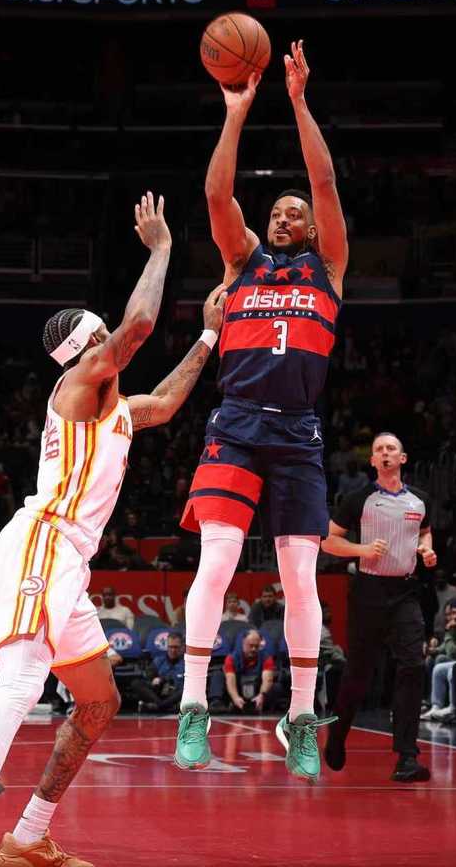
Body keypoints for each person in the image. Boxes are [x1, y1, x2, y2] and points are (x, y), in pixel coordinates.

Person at [0, 193, 226, 867]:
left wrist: (208, 337)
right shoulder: (80, 385)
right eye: (104, 335)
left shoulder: (115, 409)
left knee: (98, 700)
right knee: (23, 679)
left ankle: (28, 835)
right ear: (91, 346)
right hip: (43, 538)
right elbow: (140, 324)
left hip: (70, 559)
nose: (113, 340)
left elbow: (165, 403)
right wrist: (163, 249)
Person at [176, 40, 348, 783]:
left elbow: (325, 179)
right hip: (238, 422)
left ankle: (300, 716)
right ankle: (193, 706)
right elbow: (217, 196)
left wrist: (300, 102)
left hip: (297, 432)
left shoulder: (328, 267)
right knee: (216, 562)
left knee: (300, 579)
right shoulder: (241, 262)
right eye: (276, 211)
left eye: (294, 213)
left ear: (310, 229)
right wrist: (237, 112)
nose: (284, 217)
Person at [321, 431, 437, 782]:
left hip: (406, 592)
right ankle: (337, 735)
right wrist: (362, 550)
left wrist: (426, 549)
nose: (385, 453)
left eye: (391, 449)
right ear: (372, 461)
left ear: (402, 458)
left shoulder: (420, 500)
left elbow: (425, 531)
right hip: (368, 592)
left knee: (413, 665)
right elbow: (328, 541)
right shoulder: (358, 500)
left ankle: (407, 757)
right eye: (379, 450)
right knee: (359, 673)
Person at [223, 629, 278, 714]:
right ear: (243, 643)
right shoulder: (231, 658)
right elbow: (230, 680)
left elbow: (268, 680)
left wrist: (262, 695)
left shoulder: (267, 658)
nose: (253, 649)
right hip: (238, 690)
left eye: (256, 646)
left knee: (276, 687)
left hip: (258, 690)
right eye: (251, 645)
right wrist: (235, 697)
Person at [131, 632, 186, 714]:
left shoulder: (187, 663)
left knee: (186, 689)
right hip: (158, 693)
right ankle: (164, 706)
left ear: (182, 647)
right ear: (167, 647)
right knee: (136, 683)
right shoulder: (159, 660)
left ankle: (158, 707)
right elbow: (148, 675)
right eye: (170, 647)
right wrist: (155, 679)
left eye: (176, 647)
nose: (173, 650)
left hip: (176, 694)